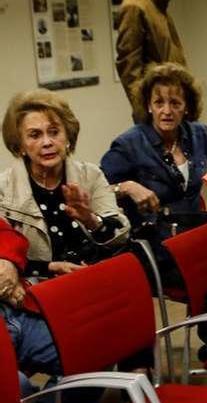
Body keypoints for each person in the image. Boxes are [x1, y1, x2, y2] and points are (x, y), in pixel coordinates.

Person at [101, 62, 207, 234]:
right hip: (152, 238)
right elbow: (98, 191)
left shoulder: (198, 133)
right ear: (148, 106)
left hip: (192, 230)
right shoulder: (129, 144)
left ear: (187, 106)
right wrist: (127, 187)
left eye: (175, 103)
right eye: (159, 103)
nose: (167, 111)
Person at [0, 218, 101, 403]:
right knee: (17, 387)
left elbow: (9, 235)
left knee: (94, 348)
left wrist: (7, 262)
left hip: (15, 312)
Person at [0, 89, 130, 279]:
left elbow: (121, 237)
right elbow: (5, 261)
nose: (47, 142)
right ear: (20, 146)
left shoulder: (91, 175)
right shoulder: (4, 189)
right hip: (42, 289)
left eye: (54, 132)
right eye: (35, 135)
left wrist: (91, 220)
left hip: (97, 277)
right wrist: (50, 268)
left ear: (68, 136)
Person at [115, 0, 187, 114]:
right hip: (158, 114)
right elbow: (128, 67)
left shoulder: (159, 9)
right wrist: (145, 113)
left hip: (174, 105)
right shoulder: (134, 7)